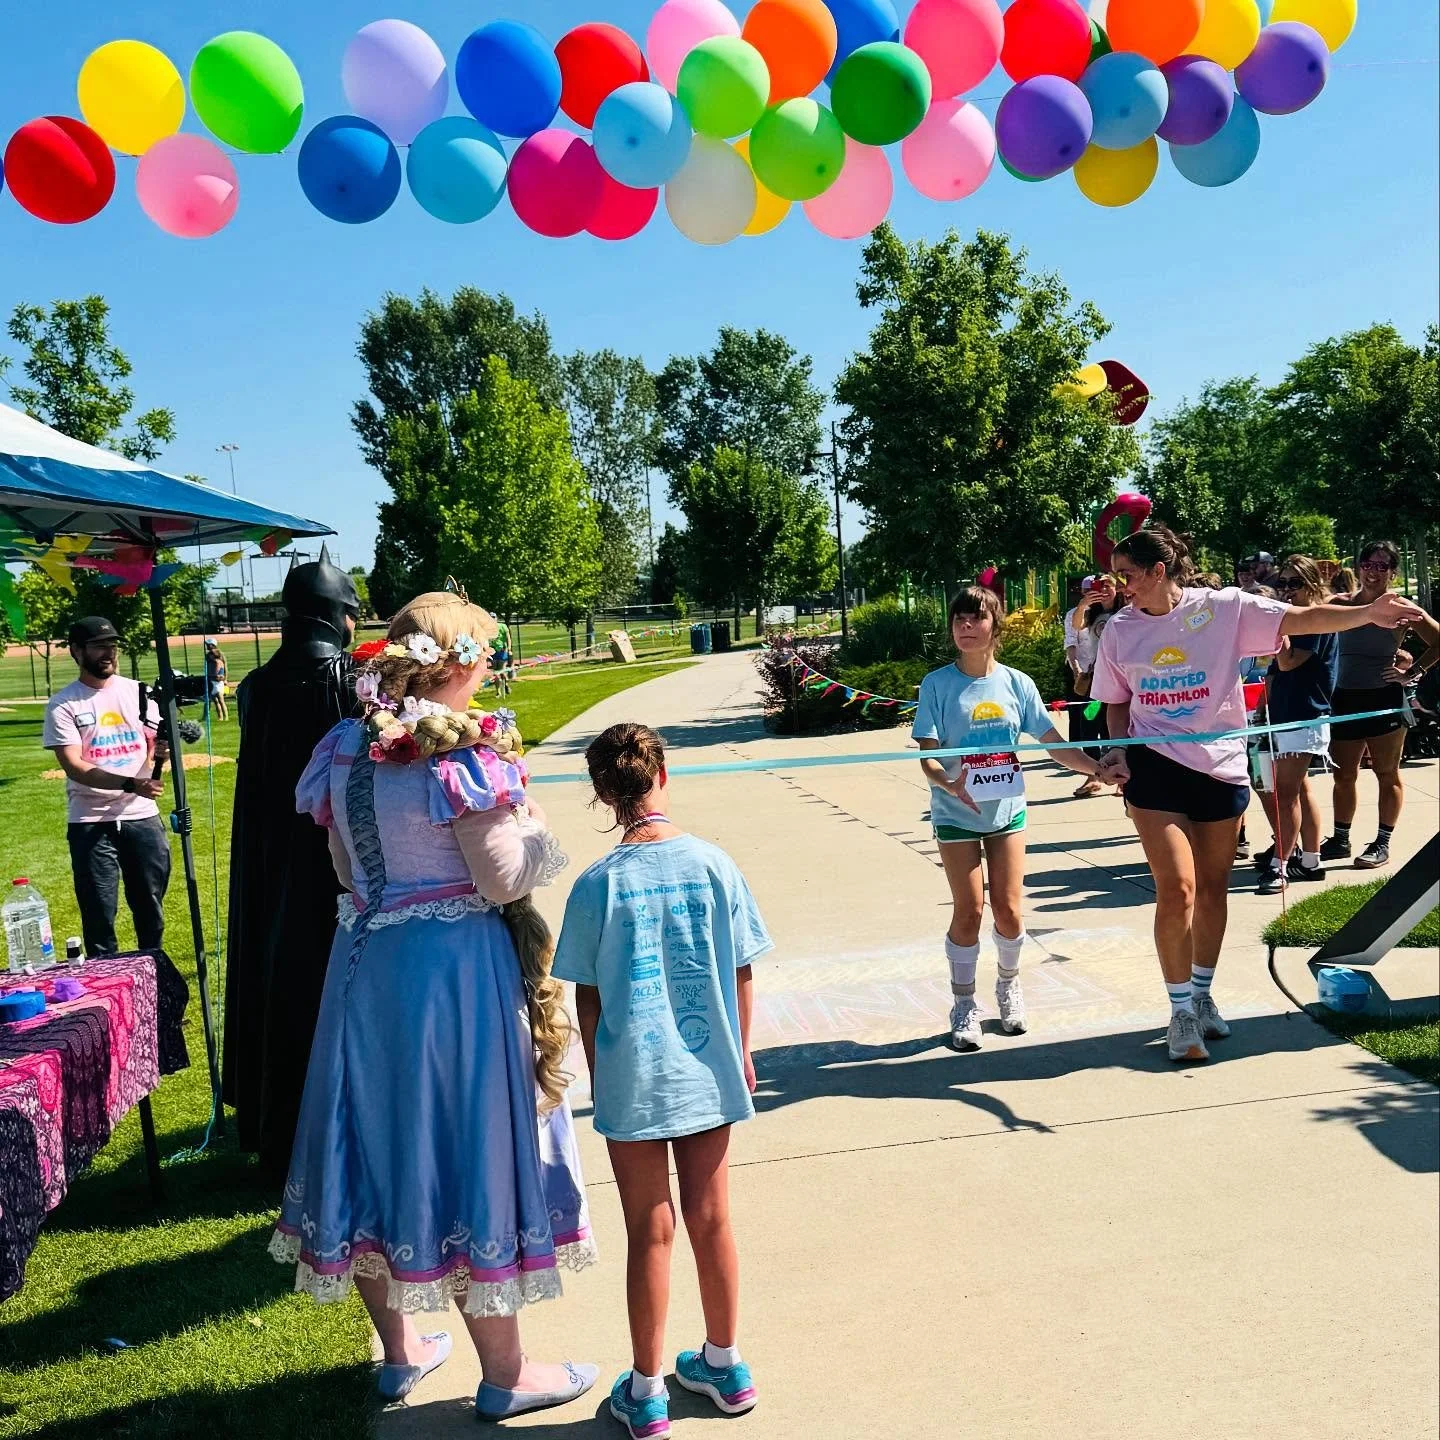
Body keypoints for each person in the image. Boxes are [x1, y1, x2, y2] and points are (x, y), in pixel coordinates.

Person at [271, 591, 598, 1417]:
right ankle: (506, 1374)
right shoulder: (462, 753)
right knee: (468, 1146)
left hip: (365, 961)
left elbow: (346, 870)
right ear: (456, 663)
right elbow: (499, 876)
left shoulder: (343, 745)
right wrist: (537, 825)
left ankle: (399, 1352)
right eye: (485, 652)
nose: (491, 664)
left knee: (374, 1140)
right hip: (452, 975)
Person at [1092, 525, 1425, 1063]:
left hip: (1221, 767)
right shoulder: (1120, 630)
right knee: (1176, 888)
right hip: (1154, 767)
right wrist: (1119, 749)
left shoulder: (1223, 608)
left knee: (1214, 890)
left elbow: (1301, 619)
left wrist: (1367, 612)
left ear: (1159, 572)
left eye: (1127, 575)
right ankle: (1179, 1011)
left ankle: (1202, 996)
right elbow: (1115, 700)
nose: (1120, 585)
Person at [553, 723, 766, 1440]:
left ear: (602, 794)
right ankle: (726, 1364)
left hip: (634, 1074)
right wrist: (740, 1050)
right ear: (662, 775)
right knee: (712, 1217)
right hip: (709, 1066)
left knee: (651, 1228)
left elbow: (586, 993)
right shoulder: (713, 865)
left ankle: (646, 1392)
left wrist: (598, 1063)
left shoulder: (595, 885)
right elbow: (741, 968)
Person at [913, 587, 1109, 1052]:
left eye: (975, 619)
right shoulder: (936, 684)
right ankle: (964, 1004)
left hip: (1006, 812)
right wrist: (949, 783)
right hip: (955, 814)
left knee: (1009, 908)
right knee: (969, 909)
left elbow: (1053, 744)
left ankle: (1009, 986)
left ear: (993, 626)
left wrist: (1098, 767)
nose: (965, 627)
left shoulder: (1017, 684)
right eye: (958, 619)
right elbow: (929, 756)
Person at [224, 548, 363, 1178]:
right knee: (332, 991)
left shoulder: (255, 687)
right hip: (333, 860)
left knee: (275, 978)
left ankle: (274, 1124)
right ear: (340, 616)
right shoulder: (345, 685)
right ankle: (334, 1131)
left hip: (269, 860)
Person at [41, 615, 171, 958]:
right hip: (90, 822)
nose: (108, 653)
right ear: (76, 651)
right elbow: (76, 766)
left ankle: (154, 984)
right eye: (98, 646)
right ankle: (108, 998)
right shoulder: (64, 705)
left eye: (111, 646)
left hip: (142, 819)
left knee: (151, 911)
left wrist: (161, 758)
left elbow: (157, 747)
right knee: (99, 917)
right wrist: (131, 783)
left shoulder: (140, 693)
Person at [1322, 540, 1440, 871]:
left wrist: (1411, 672)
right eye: (1368, 565)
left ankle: (1382, 842)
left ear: (1392, 572)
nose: (1373, 572)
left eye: (1382, 566)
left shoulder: (1402, 607)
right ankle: (1340, 839)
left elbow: (1438, 640)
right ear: (1358, 567)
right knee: (1343, 775)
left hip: (1383, 699)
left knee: (1386, 772)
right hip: (1344, 698)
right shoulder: (1340, 604)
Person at [1255, 556, 1337, 895]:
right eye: (1282, 584)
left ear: (1311, 584)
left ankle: (1281, 864)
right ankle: (1311, 860)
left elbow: (1287, 662)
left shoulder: (1314, 621)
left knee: (1284, 795)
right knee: (1293, 789)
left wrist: (1276, 625)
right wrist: (1261, 710)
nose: (1286, 591)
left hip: (1306, 716)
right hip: (1282, 716)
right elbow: (1272, 673)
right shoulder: (1294, 620)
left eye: (1294, 584)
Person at [1064, 575, 1116, 796]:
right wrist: (1084, 605)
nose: (1102, 590)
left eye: (1108, 586)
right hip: (1096, 681)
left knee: (1116, 728)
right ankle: (1092, 774)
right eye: (1097, 587)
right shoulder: (1089, 614)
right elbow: (1075, 629)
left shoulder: (1127, 609)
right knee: (1089, 722)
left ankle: (1121, 779)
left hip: (1123, 681)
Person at [204, 639, 228, 722]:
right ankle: (220, 717)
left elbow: (224, 668)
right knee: (216, 700)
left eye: (208, 644)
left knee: (220, 699)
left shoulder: (219, 657)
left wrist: (225, 679)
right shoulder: (208, 656)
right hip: (212, 680)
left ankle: (225, 716)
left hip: (217, 681)